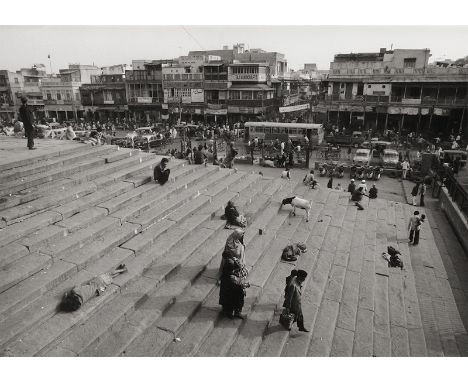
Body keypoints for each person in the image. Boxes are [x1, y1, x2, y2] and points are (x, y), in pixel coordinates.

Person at [59, 264, 128, 312]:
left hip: (101, 288)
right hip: (98, 282)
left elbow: (71, 304)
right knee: (109, 274)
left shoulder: (80, 303)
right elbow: (76, 285)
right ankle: (121, 270)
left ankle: (120, 271)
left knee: (111, 277)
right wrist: (66, 295)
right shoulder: (76, 291)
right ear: (70, 297)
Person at [218, 229, 250, 319]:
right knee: (229, 294)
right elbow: (225, 261)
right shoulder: (229, 244)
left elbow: (241, 258)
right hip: (230, 275)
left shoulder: (240, 245)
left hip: (238, 272)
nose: (241, 237)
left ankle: (237, 312)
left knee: (239, 294)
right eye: (240, 236)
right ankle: (228, 311)